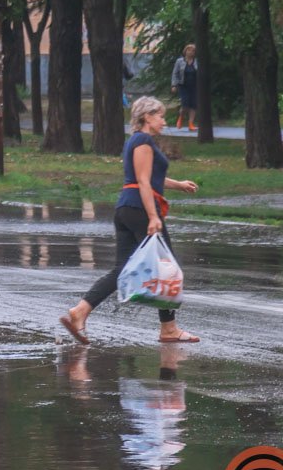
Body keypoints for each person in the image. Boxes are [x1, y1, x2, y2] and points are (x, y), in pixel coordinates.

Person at [60, 96, 200, 344]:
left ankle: (80, 311)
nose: (163, 121)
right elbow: (144, 182)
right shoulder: (143, 141)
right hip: (140, 209)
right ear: (147, 117)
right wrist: (153, 216)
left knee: (122, 268)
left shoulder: (136, 141)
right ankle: (169, 329)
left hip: (127, 208)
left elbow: (147, 176)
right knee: (166, 266)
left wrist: (178, 184)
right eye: (160, 116)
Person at [170, 44, 198, 131]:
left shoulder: (196, 61)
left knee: (193, 105)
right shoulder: (179, 61)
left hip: (194, 86)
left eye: (193, 51)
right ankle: (181, 118)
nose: (191, 52)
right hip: (183, 86)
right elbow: (175, 73)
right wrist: (174, 85)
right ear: (185, 51)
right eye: (189, 50)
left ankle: (191, 123)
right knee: (185, 104)